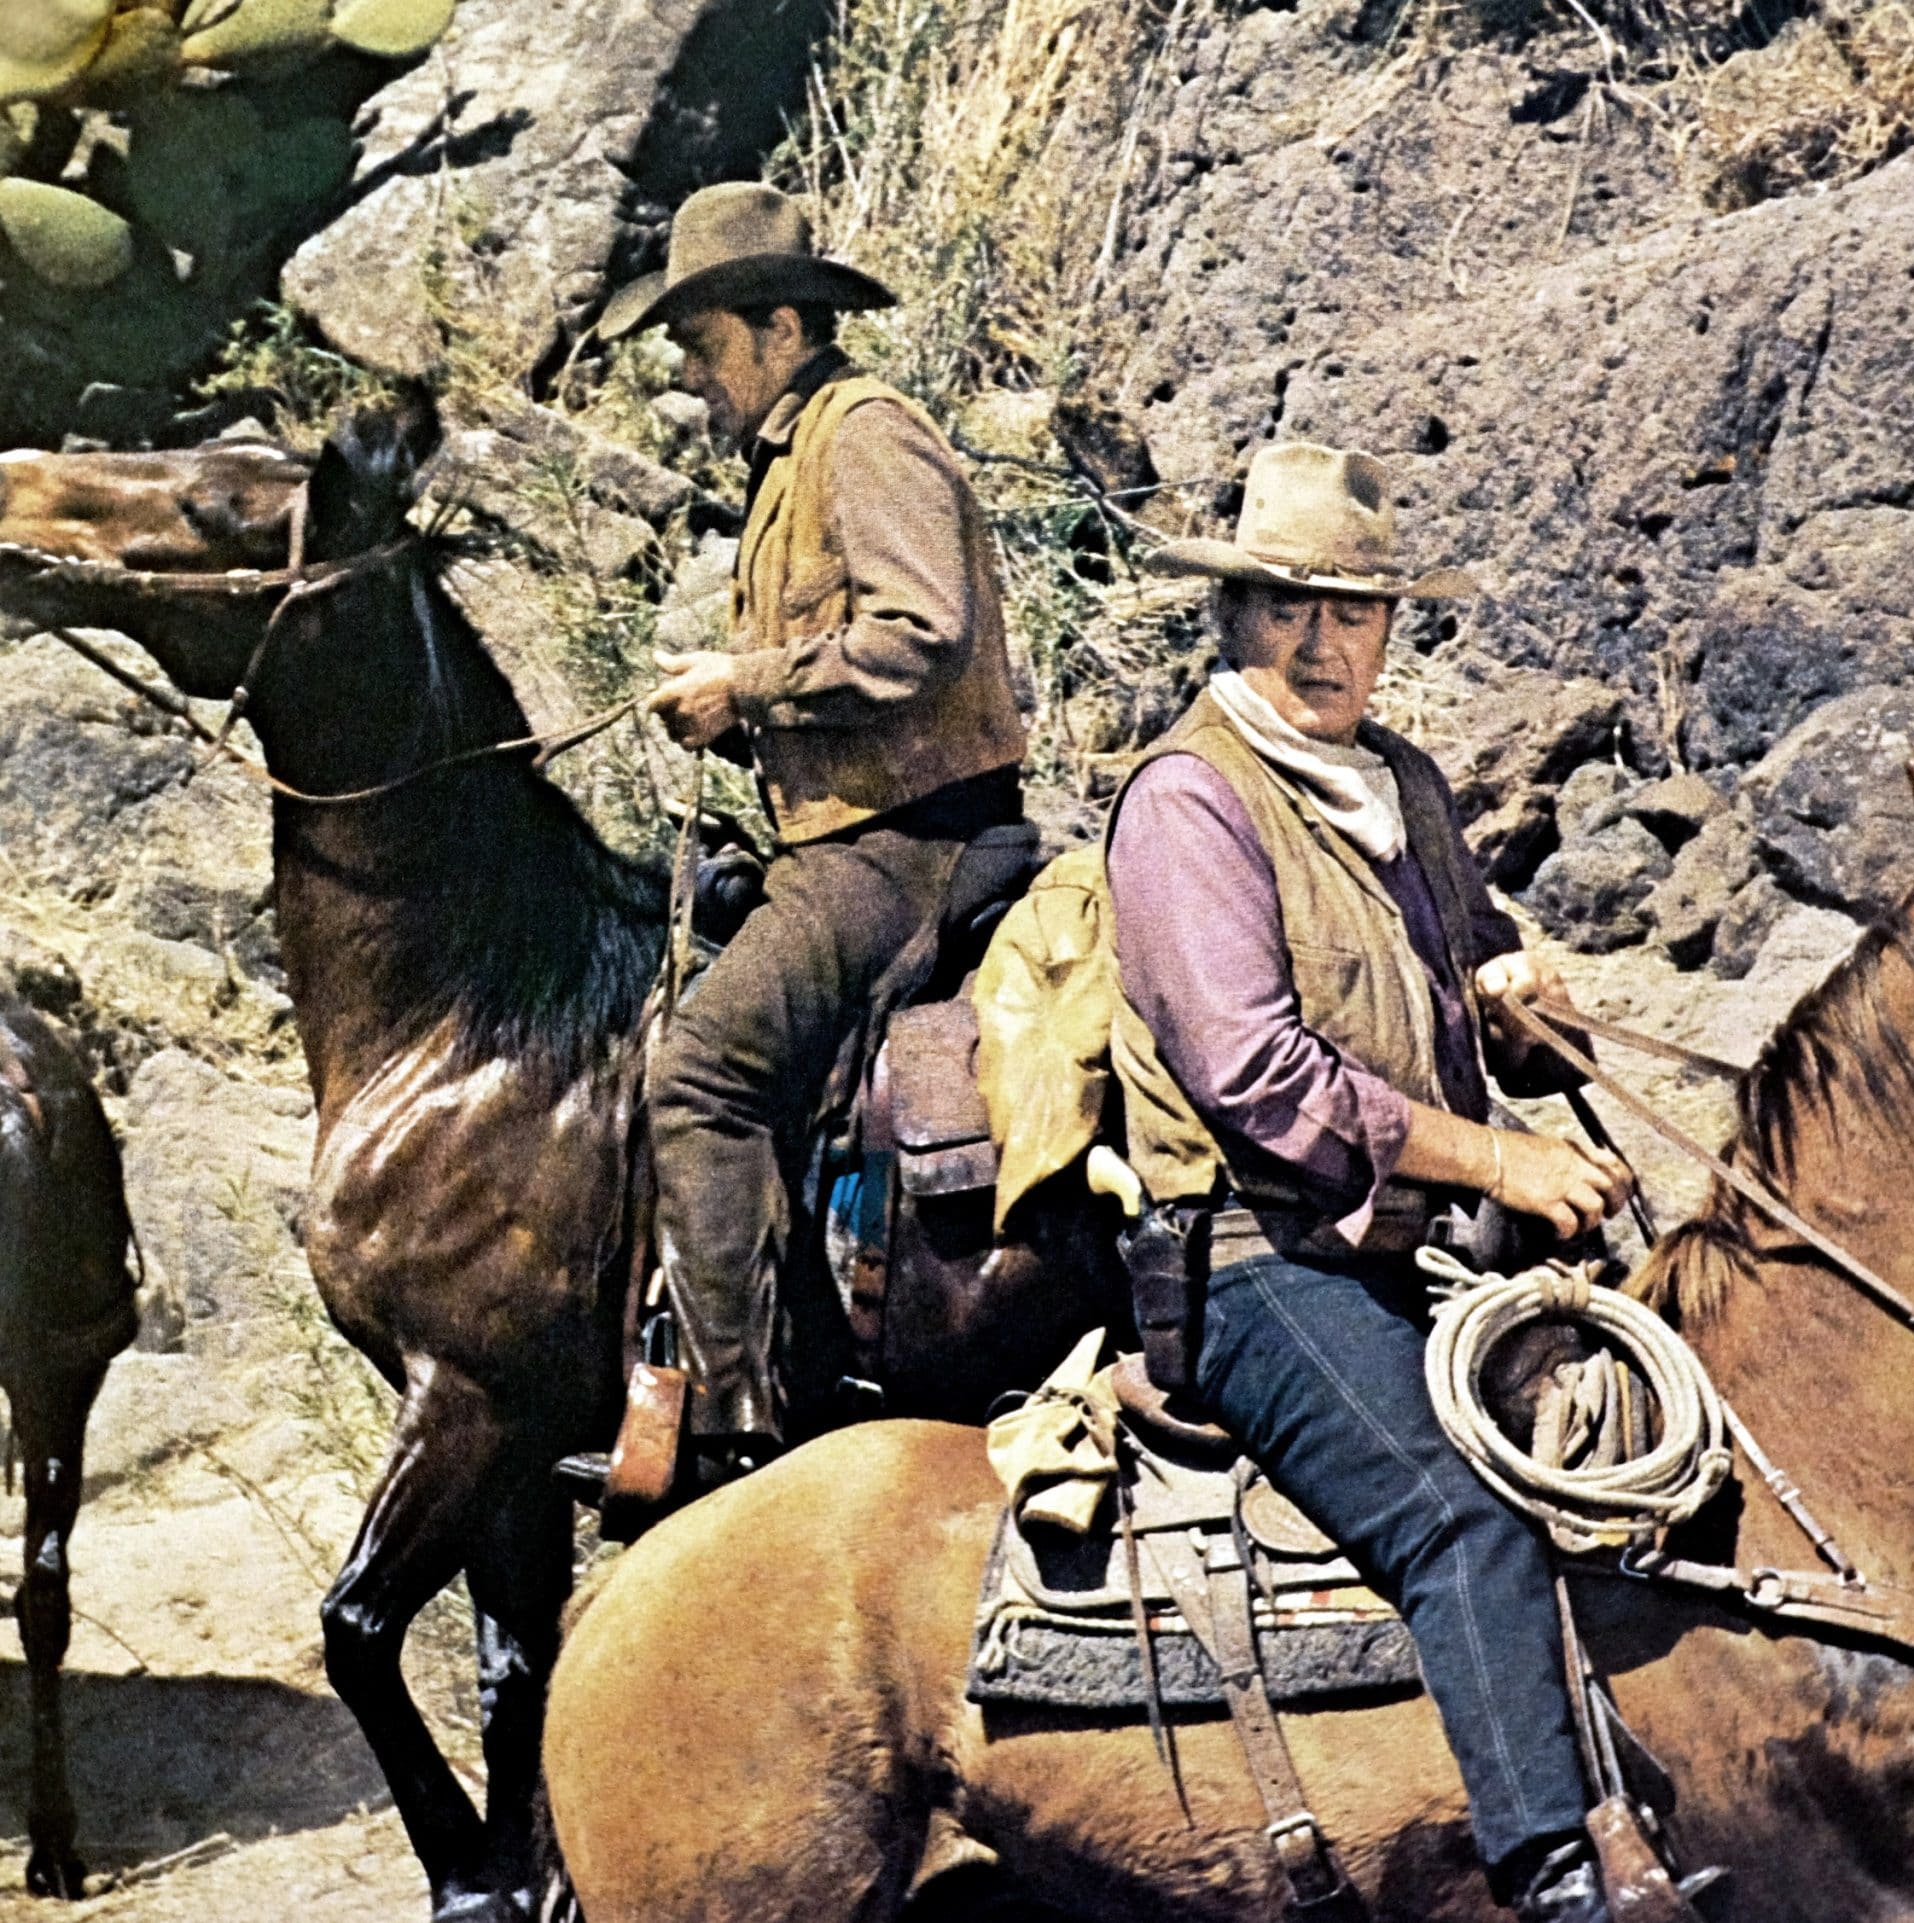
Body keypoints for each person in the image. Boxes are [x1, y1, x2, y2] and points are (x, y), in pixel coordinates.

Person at [1108, 441, 1639, 1923]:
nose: (1325, 639)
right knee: (1457, 1514)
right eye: (1289, 605)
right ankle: (1550, 1872)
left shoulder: (1396, 780)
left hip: (1411, 1237)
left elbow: (1469, 980)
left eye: (1357, 609)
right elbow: (1253, 1075)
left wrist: (1522, 996)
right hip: (1253, 1261)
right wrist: (1498, 1159)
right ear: (1235, 616)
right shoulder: (1189, 804)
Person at [596, 182, 1028, 1468]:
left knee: (703, 1077)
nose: (690, 371)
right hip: (854, 827)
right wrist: (746, 716)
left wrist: (750, 684)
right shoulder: (793, 456)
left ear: (782, 327)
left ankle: (736, 1432)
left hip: (907, 844)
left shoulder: (864, 435)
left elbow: (922, 632)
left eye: (703, 341)